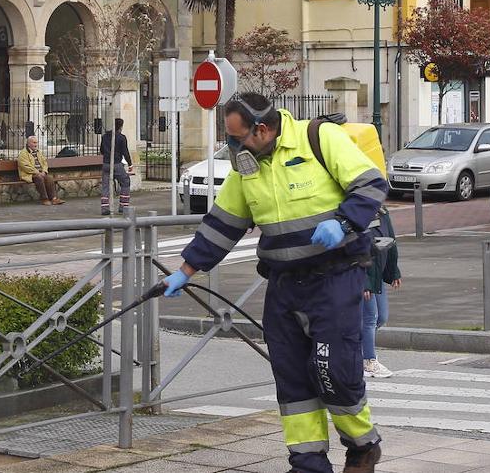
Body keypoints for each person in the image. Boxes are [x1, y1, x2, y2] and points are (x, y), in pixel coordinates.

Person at [163, 93, 389, 473]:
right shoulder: (246, 168)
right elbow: (223, 225)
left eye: (237, 138)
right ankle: (308, 463)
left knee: (333, 371)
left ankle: (362, 445)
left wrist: (345, 222)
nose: (233, 147)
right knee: (292, 377)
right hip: (284, 284)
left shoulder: (319, 138)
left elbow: (371, 185)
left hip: (335, 277)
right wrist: (184, 271)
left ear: (262, 129)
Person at [362, 208, 401, 379]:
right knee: (370, 318)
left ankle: (356, 350)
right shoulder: (357, 214)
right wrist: (364, 283)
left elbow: (391, 242)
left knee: (381, 317)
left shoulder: (383, 213)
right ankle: (369, 361)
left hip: (377, 274)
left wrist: (393, 272)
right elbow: (358, 251)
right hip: (363, 276)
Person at [99, 118, 134, 215]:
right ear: (121, 126)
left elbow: (101, 150)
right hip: (116, 164)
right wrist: (130, 164)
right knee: (125, 181)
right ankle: (123, 206)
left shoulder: (105, 136)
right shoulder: (121, 137)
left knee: (105, 186)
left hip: (106, 164)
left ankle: (104, 208)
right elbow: (125, 152)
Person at [17, 136, 63, 206]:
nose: (36, 144)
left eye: (36, 142)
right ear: (29, 144)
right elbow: (25, 167)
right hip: (28, 174)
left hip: (40, 173)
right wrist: (37, 172)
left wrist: (44, 171)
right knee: (39, 178)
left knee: (49, 178)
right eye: (34, 142)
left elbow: (44, 163)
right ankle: (44, 199)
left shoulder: (38, 152)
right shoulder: (23, 154)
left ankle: (54, 199)